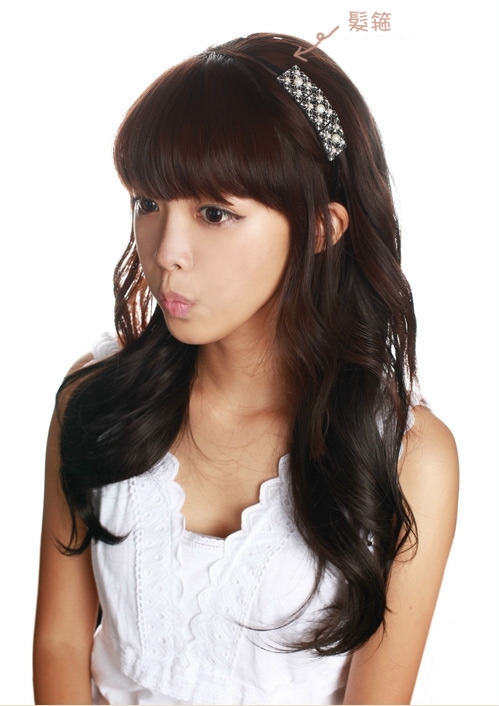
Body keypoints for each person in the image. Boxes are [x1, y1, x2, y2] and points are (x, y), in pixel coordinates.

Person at [33, 32, 459, 705]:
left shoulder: (406, 457)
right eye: (148, 203)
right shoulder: (98, 397)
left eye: (214, 213)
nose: (167, 252)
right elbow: (60, 642)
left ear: (321, 227)